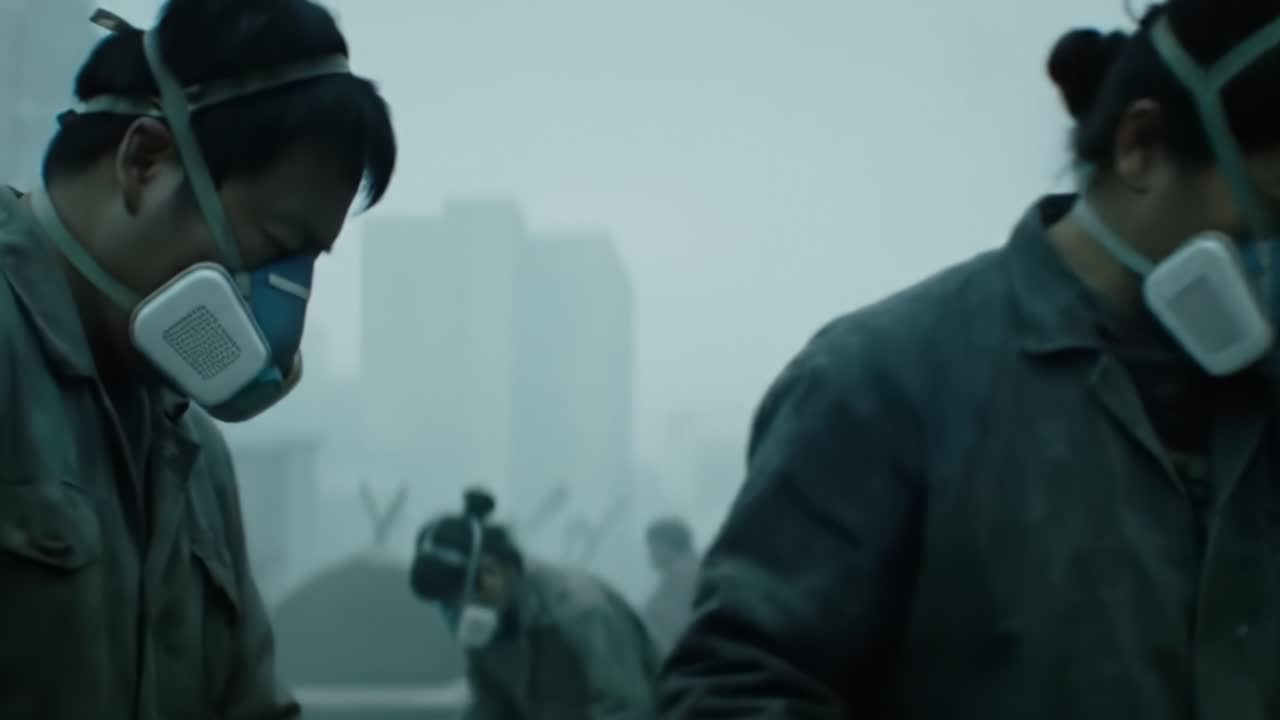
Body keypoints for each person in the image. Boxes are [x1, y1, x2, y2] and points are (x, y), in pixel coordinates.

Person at [657, 1, 1280, 718]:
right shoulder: (885, 384)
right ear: (1140, 146)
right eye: (1274, 204)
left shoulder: (1258, 399)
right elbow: (735, 689)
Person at [0, 1, 394, 718]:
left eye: (304, 266)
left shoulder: (193, 457)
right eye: (277, 246)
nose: (283, 310)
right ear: (145, 163)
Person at [410, 489, 659, 719]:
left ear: (491, 573)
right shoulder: (488, 623)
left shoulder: (582, 612)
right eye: (445, 605)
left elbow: (628, 708)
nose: (455, 615)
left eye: (455, 601)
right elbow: (490, 705)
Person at [640, 516, 699, 656]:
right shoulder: (690, 570)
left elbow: (665, 627)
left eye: (653, 547)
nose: (650, 554)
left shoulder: (683, 576)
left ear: (666, 546)